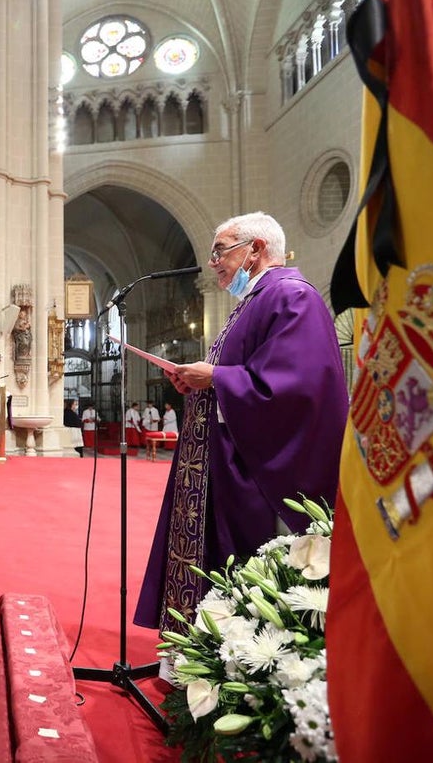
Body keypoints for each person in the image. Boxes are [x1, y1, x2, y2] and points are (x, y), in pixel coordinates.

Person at [134, 212, 348, 632]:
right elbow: (245, 373)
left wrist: (216, 377)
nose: (212, 262)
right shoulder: (254, 301)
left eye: (220, 251)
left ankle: (231, 645)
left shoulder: (292, 296)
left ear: (255, 250)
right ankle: (203, 642)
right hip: (219, 464)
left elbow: (297, 387)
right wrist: (198, 382)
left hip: (254, 473)